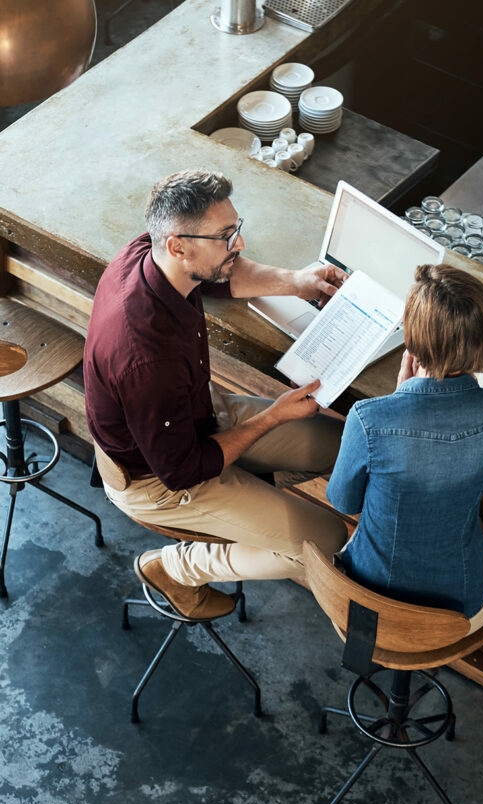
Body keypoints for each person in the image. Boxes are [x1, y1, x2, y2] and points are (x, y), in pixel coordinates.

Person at [84, 169, 348, 620]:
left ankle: (258, 499)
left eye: (236, 229)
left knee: (342, 446)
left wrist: (296, 281)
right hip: (159, 478)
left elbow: (218, 275)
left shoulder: (150, 251)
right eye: (226, 236)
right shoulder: (147, 357)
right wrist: (271, 418)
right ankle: (174, 569)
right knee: (327, 541)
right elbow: (182, 470)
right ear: (178, 245)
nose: (239, 244)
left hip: (196, 414)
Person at [326, 263, 483, 634]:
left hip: (371, 607)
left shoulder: (368, 420)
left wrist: (401, 396)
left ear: (412, 344)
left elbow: (343, 502)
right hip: (461, 611)